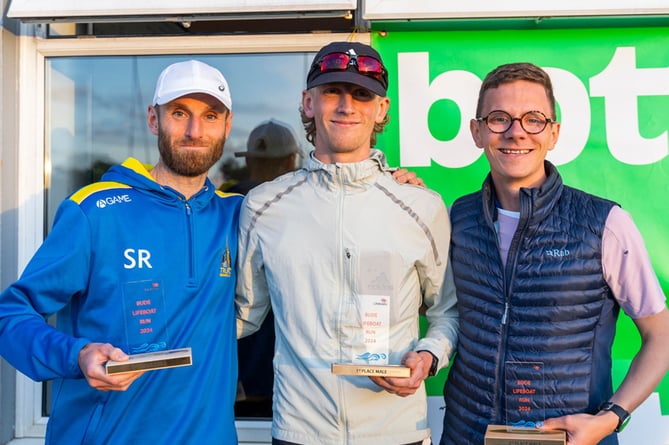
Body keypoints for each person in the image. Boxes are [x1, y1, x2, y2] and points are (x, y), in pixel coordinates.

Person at [0, 59, 242, 444]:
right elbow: (10, 312)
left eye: (210, 115)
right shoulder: (94, 210)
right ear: (153, 118)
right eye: (179, 113)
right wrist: (76, 354)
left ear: (227, 126)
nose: (195, 130)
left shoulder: (238, 215)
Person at [235, 41, 459, 445]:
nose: (346, 106)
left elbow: (449, 314)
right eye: (332, 92)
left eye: (361, 94)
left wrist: (428, 356)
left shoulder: (419, 206)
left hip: (398, 432)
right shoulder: (264, 206)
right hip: (299, 431)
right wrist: (146, 343)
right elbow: (241, 316)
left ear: (382, 109)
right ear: (308, 103)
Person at [440, 62, 669, 445]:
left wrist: (611, 418)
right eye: (499, 119)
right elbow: (439, 312)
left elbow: (661, 337)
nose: (516, 133)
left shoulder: (604, 224)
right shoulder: (456, 218)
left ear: (554, 133)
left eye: (533, 119)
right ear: (477, 132)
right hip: (466, 435)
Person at [230, 119, 301, 418]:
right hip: (293, 379)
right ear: (292, 159)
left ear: (249, 161)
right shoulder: (305, 206)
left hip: (233, 374)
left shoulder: (223, 203)